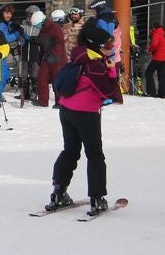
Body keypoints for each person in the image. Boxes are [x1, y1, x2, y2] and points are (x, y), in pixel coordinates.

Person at [46, 26, 120, 215]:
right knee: (94, 154)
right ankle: (97, 198)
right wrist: (112, 73)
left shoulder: (80, 56)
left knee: (70, 151)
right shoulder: (95, 64)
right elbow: (107, 91)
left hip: (66, 110)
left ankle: (58, 191)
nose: (111, 48)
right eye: (108, 44)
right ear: (96, 45)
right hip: (86, 113)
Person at [36, 9, 67, 107]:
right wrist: (40, 57)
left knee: (57, 80)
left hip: (58, 58)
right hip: (47, 57)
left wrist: (54, 54)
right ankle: (43, 101)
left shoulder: (55, 28)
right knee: (42, 78)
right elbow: (42, 46)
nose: (37, 27)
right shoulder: (42, 31)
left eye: (38, 25)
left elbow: (60, 42)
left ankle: (60, 102)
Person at [144, 23, 165, 98]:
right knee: (161, 76)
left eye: (150, 30)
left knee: (148, 73)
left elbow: (154, 44)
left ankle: (151, 92)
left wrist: (149, 50)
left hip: (158, 58)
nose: (150, 31)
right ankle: (162, 94)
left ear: (154, 28)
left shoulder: (156, 34)